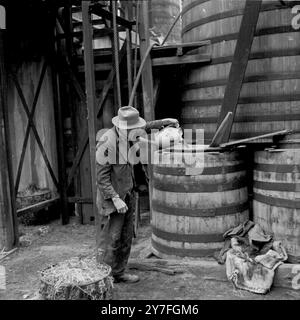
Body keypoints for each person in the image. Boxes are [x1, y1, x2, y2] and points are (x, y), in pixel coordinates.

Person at [96, 106, 178, 283]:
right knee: (111, 239)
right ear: (121, 127)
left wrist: (165, 122)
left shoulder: (129, 132)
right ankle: (103, 278)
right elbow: (101, 178)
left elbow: (146, 126)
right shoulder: (106, 142)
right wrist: (115, 199)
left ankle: (118, 272)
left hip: (128, 192)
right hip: (113, 198)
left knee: (126, 236)